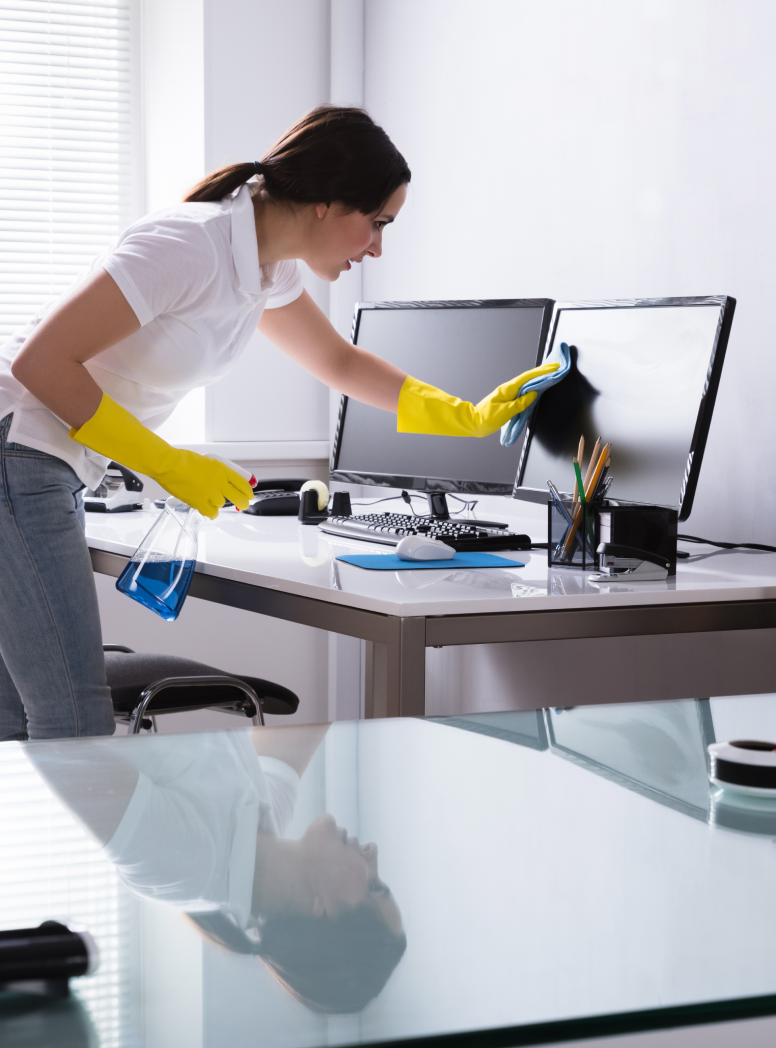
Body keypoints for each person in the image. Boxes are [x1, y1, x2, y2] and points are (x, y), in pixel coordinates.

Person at [0, 104, 557, 740]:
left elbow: (338, 361)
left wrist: (466, 415)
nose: (378, 246)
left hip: (35, 461)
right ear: (325, 202)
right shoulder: (189, 245)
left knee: (16, 716)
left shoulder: (265, 269)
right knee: (70, 718)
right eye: (376, 223)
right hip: (19, 451)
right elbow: (42, 362)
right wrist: (168, 464)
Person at [28, 724, 407, 1014]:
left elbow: (56, 741)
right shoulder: (267, 816)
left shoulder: (184, 863)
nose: (373, 852)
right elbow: (316, 708)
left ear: (322, 911)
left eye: (373, 884)